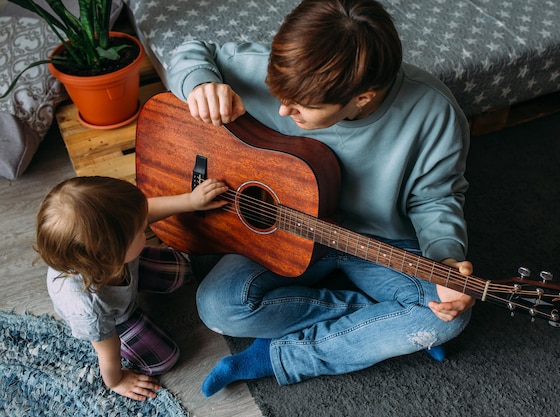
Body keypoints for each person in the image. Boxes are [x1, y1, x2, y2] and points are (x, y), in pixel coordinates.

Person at [167, 0, 475, 396]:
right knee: (218, 307)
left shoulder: (434, 112)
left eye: (300, 107)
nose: (281, 108)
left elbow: (436, 198)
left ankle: (278, 355)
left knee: (447, 319)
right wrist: (199, 82)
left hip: (379, 241)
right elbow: (193, 49)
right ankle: (381, 324)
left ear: (362, 98)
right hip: (281, 227)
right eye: (279, 92)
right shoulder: (282, 72)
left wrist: (445, 259)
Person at [35, 175, 228, 401]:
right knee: (165, 359)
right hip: (114, 319)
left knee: (182, 270)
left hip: (126, 275)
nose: (145, 229)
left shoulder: (111, 244)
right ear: (110, 256)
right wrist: (116, 381)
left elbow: (144, 211)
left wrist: (190, 201)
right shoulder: (89, 310)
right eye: (139, 232)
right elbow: (107, 353)